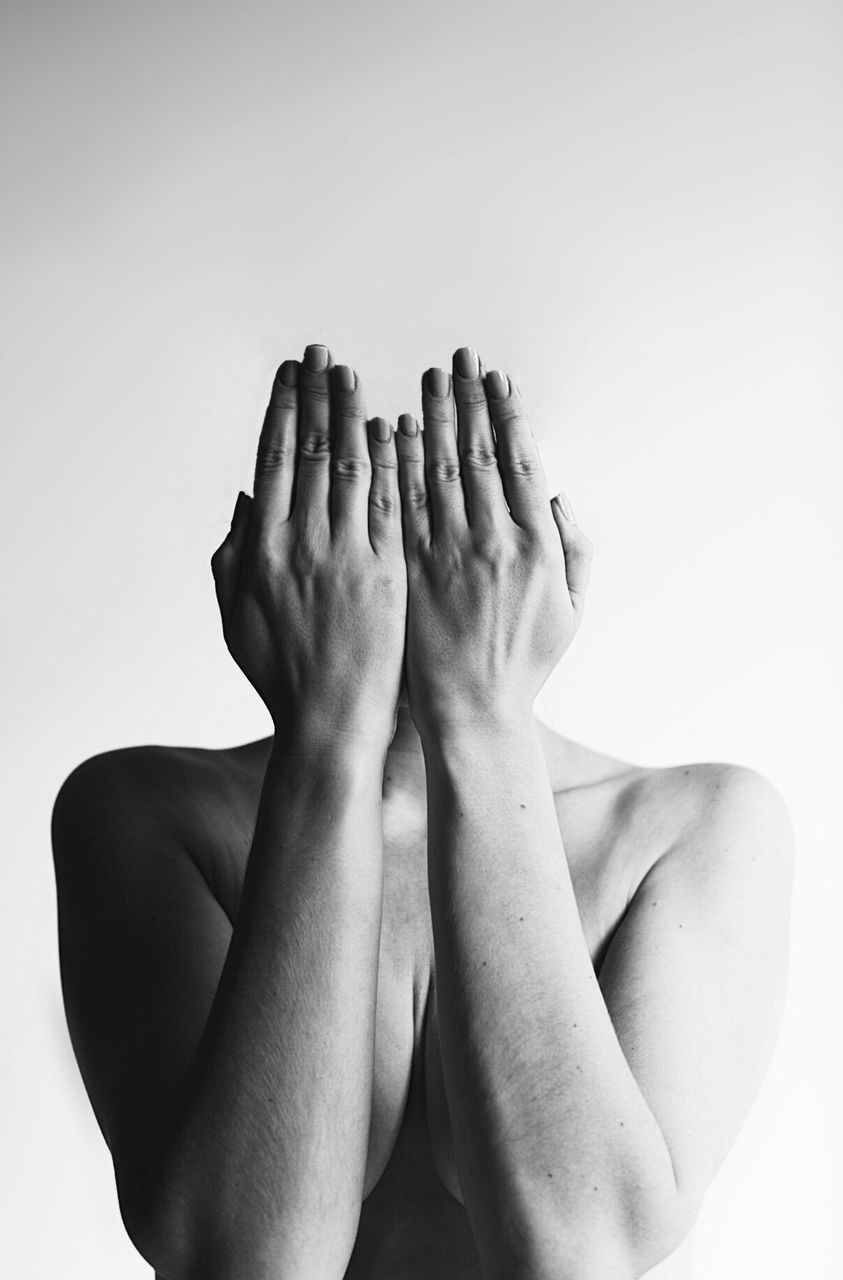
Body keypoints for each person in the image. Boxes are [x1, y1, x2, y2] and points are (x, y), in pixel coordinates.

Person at [51, 343, 794, 1280]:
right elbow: (246, 1263)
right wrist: (327, 732)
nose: (402, 550)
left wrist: (481, 717)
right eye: (353, 502)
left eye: (457, 498)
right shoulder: (141, 812)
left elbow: (577, 1254)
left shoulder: (697, 826)